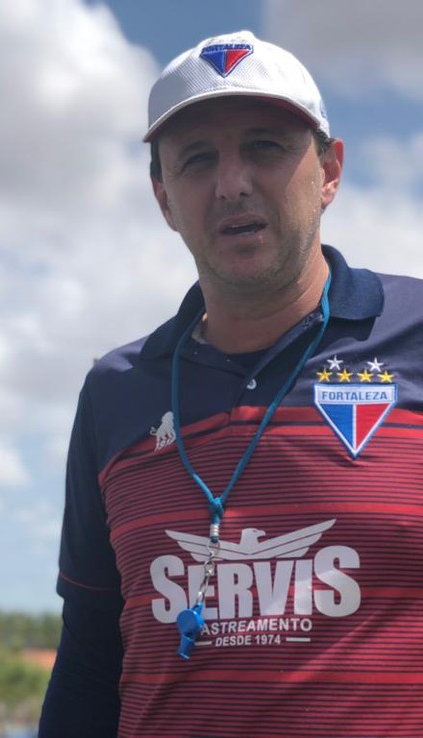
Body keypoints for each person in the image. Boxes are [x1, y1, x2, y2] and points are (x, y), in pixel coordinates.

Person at [39, 30, 423, 737]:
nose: (233, 182)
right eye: (197, 160)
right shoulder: (115, 392)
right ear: (164, 198)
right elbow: (91, 654)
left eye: (266, 147)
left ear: (330, 171)